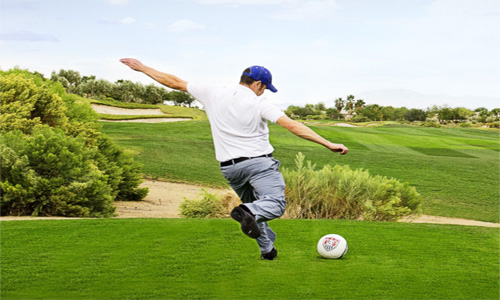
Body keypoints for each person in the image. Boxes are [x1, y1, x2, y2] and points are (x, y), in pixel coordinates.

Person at [120, 58, 349, 260]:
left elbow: (174, 82)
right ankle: (248, 212)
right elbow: (293, 126)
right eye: (265, 88)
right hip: (259, 165)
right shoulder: (259, 102)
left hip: (230, 169)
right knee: (273, 205)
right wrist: (328, 144)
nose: (264, 92)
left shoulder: (213, 91)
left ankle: (267, 250)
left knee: (254, 211)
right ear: (258, 84)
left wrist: (142, 68)